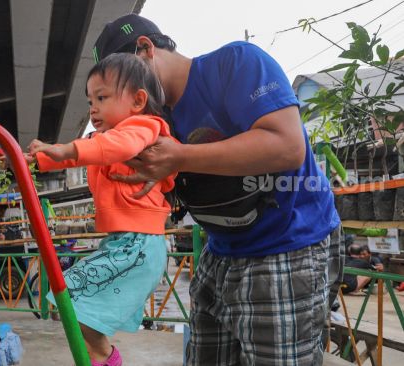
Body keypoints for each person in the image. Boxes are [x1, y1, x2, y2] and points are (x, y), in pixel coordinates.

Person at [92, 14, 342, 365]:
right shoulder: (155, 122)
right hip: (219, 250)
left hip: (288, 243)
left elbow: (287, 146)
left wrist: (180, 156)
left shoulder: (237, 64)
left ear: (146, 50)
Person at [25, 53, 176, 366]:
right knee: (72, 308)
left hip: (140, 244)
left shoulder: (145, 128)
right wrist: (35, 160)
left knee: (69, 300)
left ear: (137, 100)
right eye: (90, 99)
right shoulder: (103, 138)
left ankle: (107, 358)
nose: (93, 107)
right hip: (125, 242)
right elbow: (80, 156)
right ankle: (101, 357)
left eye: (102, 97)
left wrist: (66, 147)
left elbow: (114, 148)